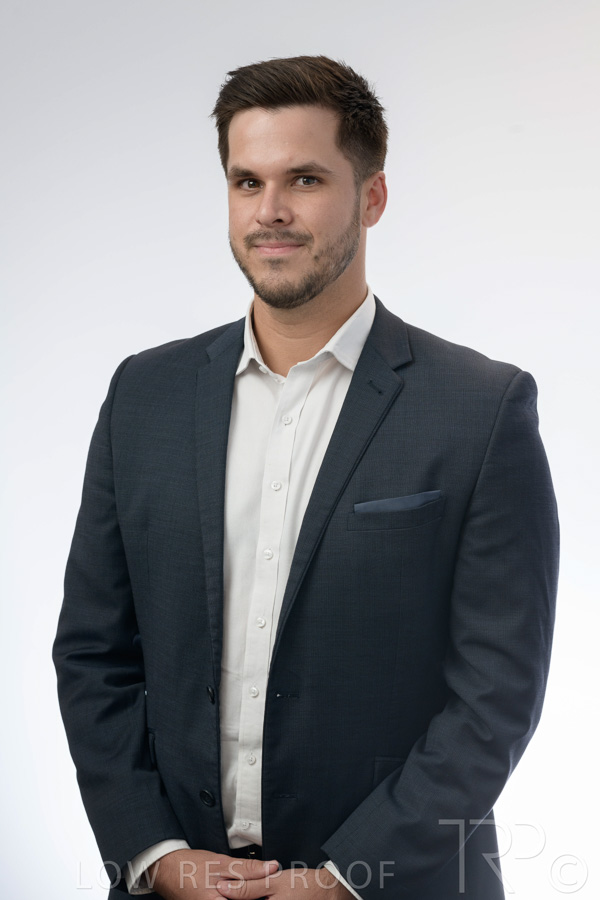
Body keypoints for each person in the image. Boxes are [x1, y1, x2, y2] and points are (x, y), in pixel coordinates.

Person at [53, 55, 559, 900]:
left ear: (373, 197)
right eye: (246, 182)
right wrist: (153, 852)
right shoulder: (144, 395)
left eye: (306, 179)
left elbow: (496, 697)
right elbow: (93, 655)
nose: (271, 212)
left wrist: (345, 876)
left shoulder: (480, 410)